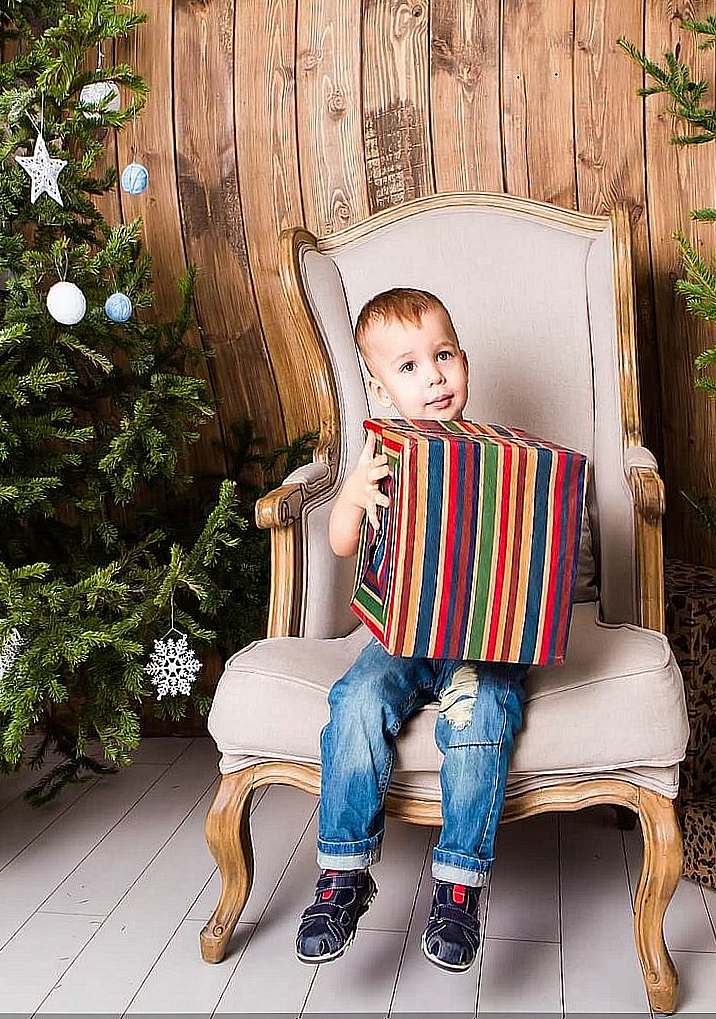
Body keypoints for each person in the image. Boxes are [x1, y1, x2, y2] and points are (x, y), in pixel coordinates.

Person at [295, 287, 530, 973]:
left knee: (483, 712)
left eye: (443, 356)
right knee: (357, 701)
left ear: (464, 361)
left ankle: (458, 887)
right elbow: (342, 544)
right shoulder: (379, 456)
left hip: (482, 640)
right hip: (403, 638)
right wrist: (352, 498)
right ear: (377, 386)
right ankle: (344, 874)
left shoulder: (498, 454)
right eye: (408, 366)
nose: (433, 376)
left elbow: (526, 550)